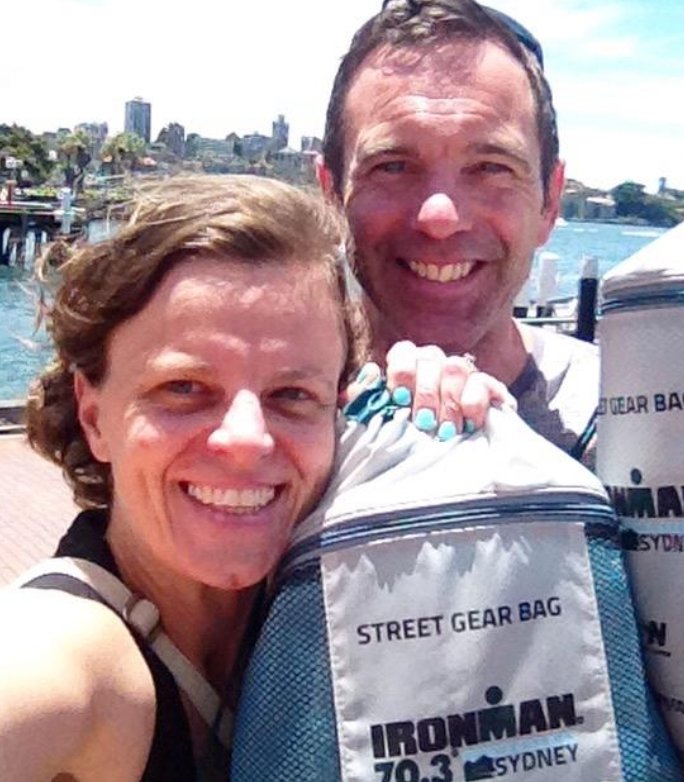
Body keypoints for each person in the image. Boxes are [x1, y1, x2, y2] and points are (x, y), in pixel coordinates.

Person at [0, 175, 502, 781]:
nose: (247, 439)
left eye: (293, 394)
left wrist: (441, 425)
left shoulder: (319, 612)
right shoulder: (63, 655)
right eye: (182, 388)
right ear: (93, 416)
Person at [317, 0, 599, 460]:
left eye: (491, 167)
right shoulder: (264, 428)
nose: (441, 217)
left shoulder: (646, 425)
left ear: (549, 202)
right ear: (331, 196)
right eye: (392, 166)